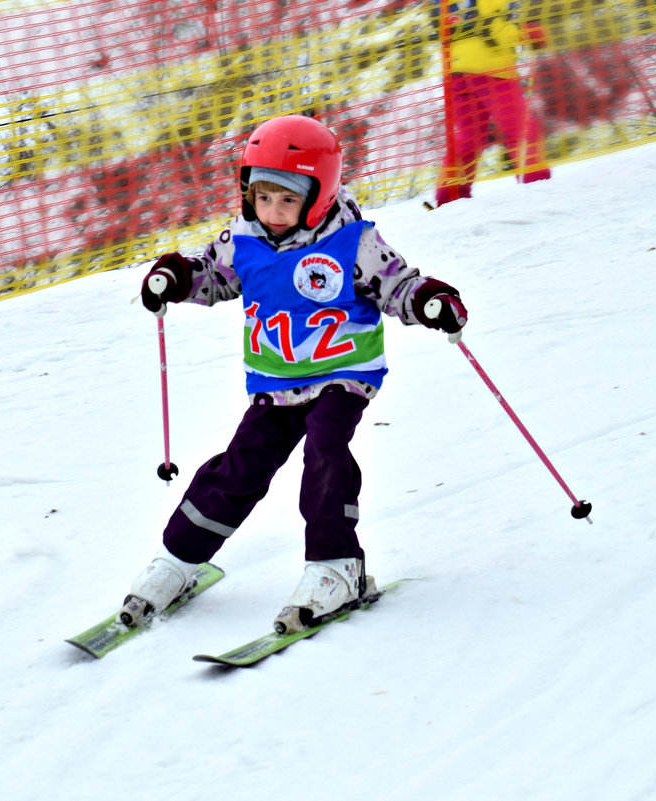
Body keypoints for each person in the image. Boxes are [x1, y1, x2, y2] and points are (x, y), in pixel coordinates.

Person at [121, 114, 468, 634]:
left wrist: (430, 301)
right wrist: (175, 277)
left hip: (342, 374)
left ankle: (337, 565)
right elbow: (212, 274)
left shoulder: (354, 242)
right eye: (263, 198)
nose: (274, 211)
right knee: (239, 467)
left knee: (325, 449)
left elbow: (398, 285)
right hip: (276, 382)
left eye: (288, 199)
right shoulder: (244, 242)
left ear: (321, 195)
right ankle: (178, 559)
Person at [436, 0, 551, 207]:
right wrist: (527, 34)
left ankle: (450, 195)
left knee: (470, 136)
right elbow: (493, 27)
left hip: (457, 70)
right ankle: (537, 183)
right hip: (491, 69)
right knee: (520, 128)